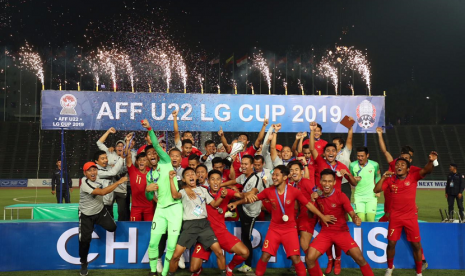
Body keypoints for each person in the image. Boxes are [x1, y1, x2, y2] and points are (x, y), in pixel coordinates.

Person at [231, 165, 336, 276]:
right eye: (273, 175)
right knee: (265, 256)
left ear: (285, 177)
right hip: (274, 229)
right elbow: (253, 199)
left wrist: (322, 216)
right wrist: (236, 203)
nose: (274, 177)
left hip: (290, 229)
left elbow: (309, 204)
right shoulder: (268, 191)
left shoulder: (295, 191)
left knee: (296, 258)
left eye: (277, 175)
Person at [374, 152, 438, 276]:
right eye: (397, 164)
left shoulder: (413, 177)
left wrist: (431, 161)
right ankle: (389, 268)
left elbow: (426, 170)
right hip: (395, 217)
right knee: (391, 243)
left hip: (410, 217)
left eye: (403, 164)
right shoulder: (390, 179)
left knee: (416, 244)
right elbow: (376, 190)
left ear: (408, 169)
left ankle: (419, 272)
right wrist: (383, 177)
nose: (399, 165)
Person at [309, 121, 357, 274]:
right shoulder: (320, 161)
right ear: (324, 153)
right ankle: (330, 259)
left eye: (333, 150)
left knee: (335, 231)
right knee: (326, 230)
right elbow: (311, 148)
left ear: (337, 153)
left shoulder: (342, 166)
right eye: (327, 150)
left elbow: (354, 183)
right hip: (322, 201)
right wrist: (311, 131)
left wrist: (347, 175)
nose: (330, 152)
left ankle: (338, 259)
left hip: (337, 203)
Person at [306, 169, 374, 276]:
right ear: (320, 181)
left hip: (341, 232)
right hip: (325, 233)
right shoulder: (318, 194)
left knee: (360, 259)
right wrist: (312, 201)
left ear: (334, 182)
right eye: (324, 181)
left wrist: (355, 217)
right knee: (309, 259)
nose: (327, 184)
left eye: (329, 181)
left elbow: (351, 212)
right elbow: (310, 215)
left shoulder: (341, 196)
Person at [167, 168, 227, 276]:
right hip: (189, 226)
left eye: (192, 174)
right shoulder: (183, 191)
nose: (191, 176)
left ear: (196, 177)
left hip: (204, 225)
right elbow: (175, 195)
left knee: (219, 252)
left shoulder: (203, 190)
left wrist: (222, 197)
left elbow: (214, 204)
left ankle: (224, 274)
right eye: (187, 175)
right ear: (184, 180)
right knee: (176, 256)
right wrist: (171, 179)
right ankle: (171, 274)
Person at [142, 119, 183, 276]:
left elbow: (156, 145)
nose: (152, 154)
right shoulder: (150, 175)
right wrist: (147, 189)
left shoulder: (166, 162)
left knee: (171, 246)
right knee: (153, 243)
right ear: (146, 159)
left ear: (158, 156)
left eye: (154, 153)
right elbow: (148, 197)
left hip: (174, 209)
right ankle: (153, 272)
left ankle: (165, 273)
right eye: (148, 154)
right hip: (160, 210)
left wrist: (150, 129)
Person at [189, 169, 250, 276]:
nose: (216, 182)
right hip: (205, 234)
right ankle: (198, 269)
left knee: (245, 252)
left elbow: (241, 195)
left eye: (218, 179)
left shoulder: (226, 192)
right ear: (208, 180)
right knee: (193, 268)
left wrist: (248, 195)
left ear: (221, 181)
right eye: (213, 179)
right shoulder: (201, 192)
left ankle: (229, 268)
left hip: (221, 233)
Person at [78, 162, 127, 276]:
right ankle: (83, 263)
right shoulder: (85, 183)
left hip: (100, 211)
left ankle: (97, 222)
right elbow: (102, 192)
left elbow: (111, 173)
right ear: (85, 173)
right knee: (85, 241)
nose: (93, 172)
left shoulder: (98, 177)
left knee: (112, 227)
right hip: (86, 214)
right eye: (89, 170)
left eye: (94, 170)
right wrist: (119, 182)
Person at [221, 155, 264, 273]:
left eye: (246, 164)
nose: (243, 166)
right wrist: (221, 185)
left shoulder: (256, 179)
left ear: (252, 166)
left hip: (251, 212)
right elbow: (234, 181)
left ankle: (248, 265)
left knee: (246, 238)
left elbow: (251, 195)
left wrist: (238, 198)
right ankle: (228, 213)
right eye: (242, 164)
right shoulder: (244, 176)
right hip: (243, 208)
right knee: (231, 194)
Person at [287, 160, 318, 261]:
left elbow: (317, 193)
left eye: (296, 170)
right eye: (291, 170)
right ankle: (297, 264)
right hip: (300, 216)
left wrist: (314, 199)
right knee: (293, 241)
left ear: (301, 172)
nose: (294, 172)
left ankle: (315, 270)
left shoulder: (305, 182)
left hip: (308, 215)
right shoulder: (293, 185)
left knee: (304, 244)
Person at [97, 127, 129, 221]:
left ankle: (121, 230)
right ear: (115, 148)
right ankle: (109, 229)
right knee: (108, 210)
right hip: (110, 187)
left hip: (122, 188)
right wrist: (108, 132)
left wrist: (127, 144)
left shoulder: (129, 156)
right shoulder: (110, 153)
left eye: (122, 146)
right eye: (118, 146)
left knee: (122, 212)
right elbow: (99, 143)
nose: (120, 147)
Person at [124, 133, 154, 222]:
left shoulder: (152, 172)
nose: (141, 162)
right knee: (134, 229)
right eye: (139, 160)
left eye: (144, 160)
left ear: (148, 162)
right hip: (136, 208)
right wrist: (128, 142)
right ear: (136, 162)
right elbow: (128, 155)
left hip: (149, 207)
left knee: (149, 230)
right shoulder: (132, 171)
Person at [349, 147, 381, 222]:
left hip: (371, 196)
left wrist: (378, 190)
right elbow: (349, 179)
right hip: (359, 196)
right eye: (358, 156)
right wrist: (353, 179)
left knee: (370, 219)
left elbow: (378, 177)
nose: (360, 158)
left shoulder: (374, 165)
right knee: (361, 219)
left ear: (367, 155)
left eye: (362, 156)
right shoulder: (352, 165)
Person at [94, 150, 124, 218]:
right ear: (96, 161)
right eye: (102, 158)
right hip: (100, 205)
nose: (106, 160)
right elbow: (113, 172)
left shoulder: (108, 167)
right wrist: (122, 157)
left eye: (106, 158)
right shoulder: (96, 171)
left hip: (109, 203)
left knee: (110, 224)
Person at [333, 117, 354, 200]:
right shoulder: (329, 154)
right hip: (334, 183)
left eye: (336, 144)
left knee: (346, 206)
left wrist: (350, 128)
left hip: (344, 183)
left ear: (341, 145)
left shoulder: (346, 152)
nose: (334, 145)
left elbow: (349, 138)